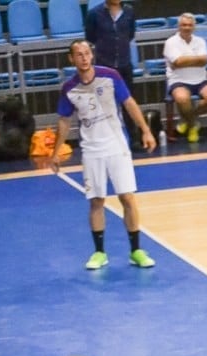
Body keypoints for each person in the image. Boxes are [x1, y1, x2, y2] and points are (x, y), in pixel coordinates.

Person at [51, 39, 157, 270]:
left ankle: (136, 250)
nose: (84, 57)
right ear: (71, 59)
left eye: (87, 53)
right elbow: (64, 121)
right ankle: (99, 253)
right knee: (97, 201)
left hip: (117, 146)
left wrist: (146, 130)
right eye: (78, 54)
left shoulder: (111, 76)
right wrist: (56, 151)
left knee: (127, 197)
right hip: (91, 150)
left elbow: (129, 103)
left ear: (92, 55)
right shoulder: (69, 88)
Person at [84, 0, 137, 143]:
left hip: (125, 64)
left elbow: (130, 34)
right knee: (105, 103)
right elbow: (90, 38)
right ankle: (108, 139)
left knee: (128, 101)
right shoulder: (94, 14)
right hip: (104, 66)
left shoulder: (129, 11)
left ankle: (134, 138)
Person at [164, 13, 207, 143]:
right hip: (178, 80)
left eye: (189, 25)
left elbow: (204, 61)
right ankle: (193, 125)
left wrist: (184, 60)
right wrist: (196, 59)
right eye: (184, 25)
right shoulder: (170, 42)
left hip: (200, 79)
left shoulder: (200, 41)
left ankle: (188, 121)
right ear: (179, 26)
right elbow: (177, 62)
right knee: (182, 98)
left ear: (194, 27)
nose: (187, 28)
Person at [0, 95, 35, 161]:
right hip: (0, 151)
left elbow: (28, 134)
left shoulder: (25, 117)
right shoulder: (0, 114)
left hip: (18, 150)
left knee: (14, 134)